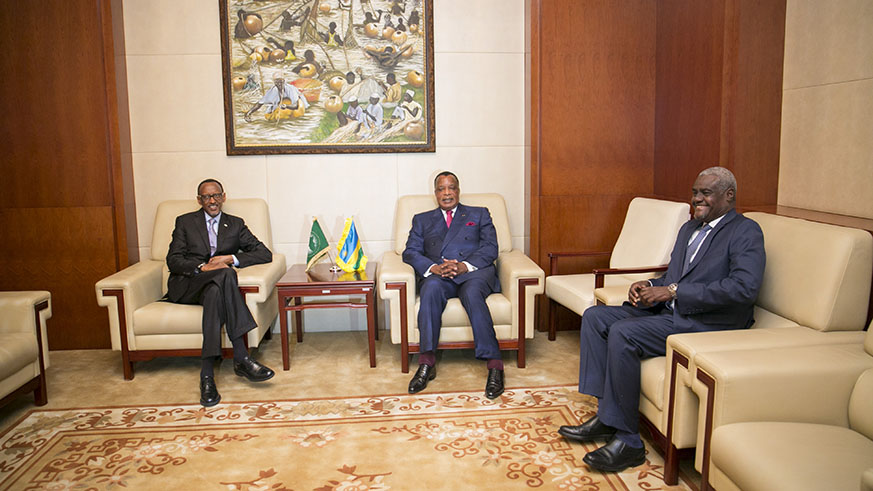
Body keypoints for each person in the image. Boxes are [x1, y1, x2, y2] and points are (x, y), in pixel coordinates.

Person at [557, 166, 765, 472]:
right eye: (695, 192)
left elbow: (743, 289)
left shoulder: (744, 231)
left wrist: (673, 291)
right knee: (596, 317)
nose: (697, 199)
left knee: (623, 332)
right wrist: (651, 285)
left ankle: (629, 442)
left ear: (729, 195)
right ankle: (607, 415)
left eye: (705, 192)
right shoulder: (689, 229)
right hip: (673, 311)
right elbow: (673, 276)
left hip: (709, 323)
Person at [166, 179, 276, 407]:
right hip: (189, 284)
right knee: (225, 275)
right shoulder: (185, 222)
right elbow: (173, 260)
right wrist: (201, 268)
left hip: (213, 289)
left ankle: (207, 374)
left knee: (220, 285)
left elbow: (264, 253)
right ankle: (242, 357)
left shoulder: (235, 224)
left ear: (224, 197)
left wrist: (230, 258)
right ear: (199, 200)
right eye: (207, 197)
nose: (212, 201)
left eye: (216, 195)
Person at [402, 171, 505, 399]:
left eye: (451, 188)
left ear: (458, 190)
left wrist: (465, 266)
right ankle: (427, 362)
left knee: (472, 294)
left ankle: (495, 364)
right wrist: (434, 268)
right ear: (435, 193)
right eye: (441, 189)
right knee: (429, 289)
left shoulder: (479, 214)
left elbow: (490, 248)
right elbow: (410, 252)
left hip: (473, 273)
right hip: (441, 274)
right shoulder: (422, 219)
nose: (447, 193)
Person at [244, 74, 309, 122]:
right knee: (271, 117)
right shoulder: (273, 90)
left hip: (295, 106)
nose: (279, 84)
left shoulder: (290, 89)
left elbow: (296, 105)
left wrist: (286, 106)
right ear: (274, 82)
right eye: (277, 81)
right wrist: (249, 113)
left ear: (284, 81)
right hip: (283, 107)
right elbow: (260, 103)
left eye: (281, 81)